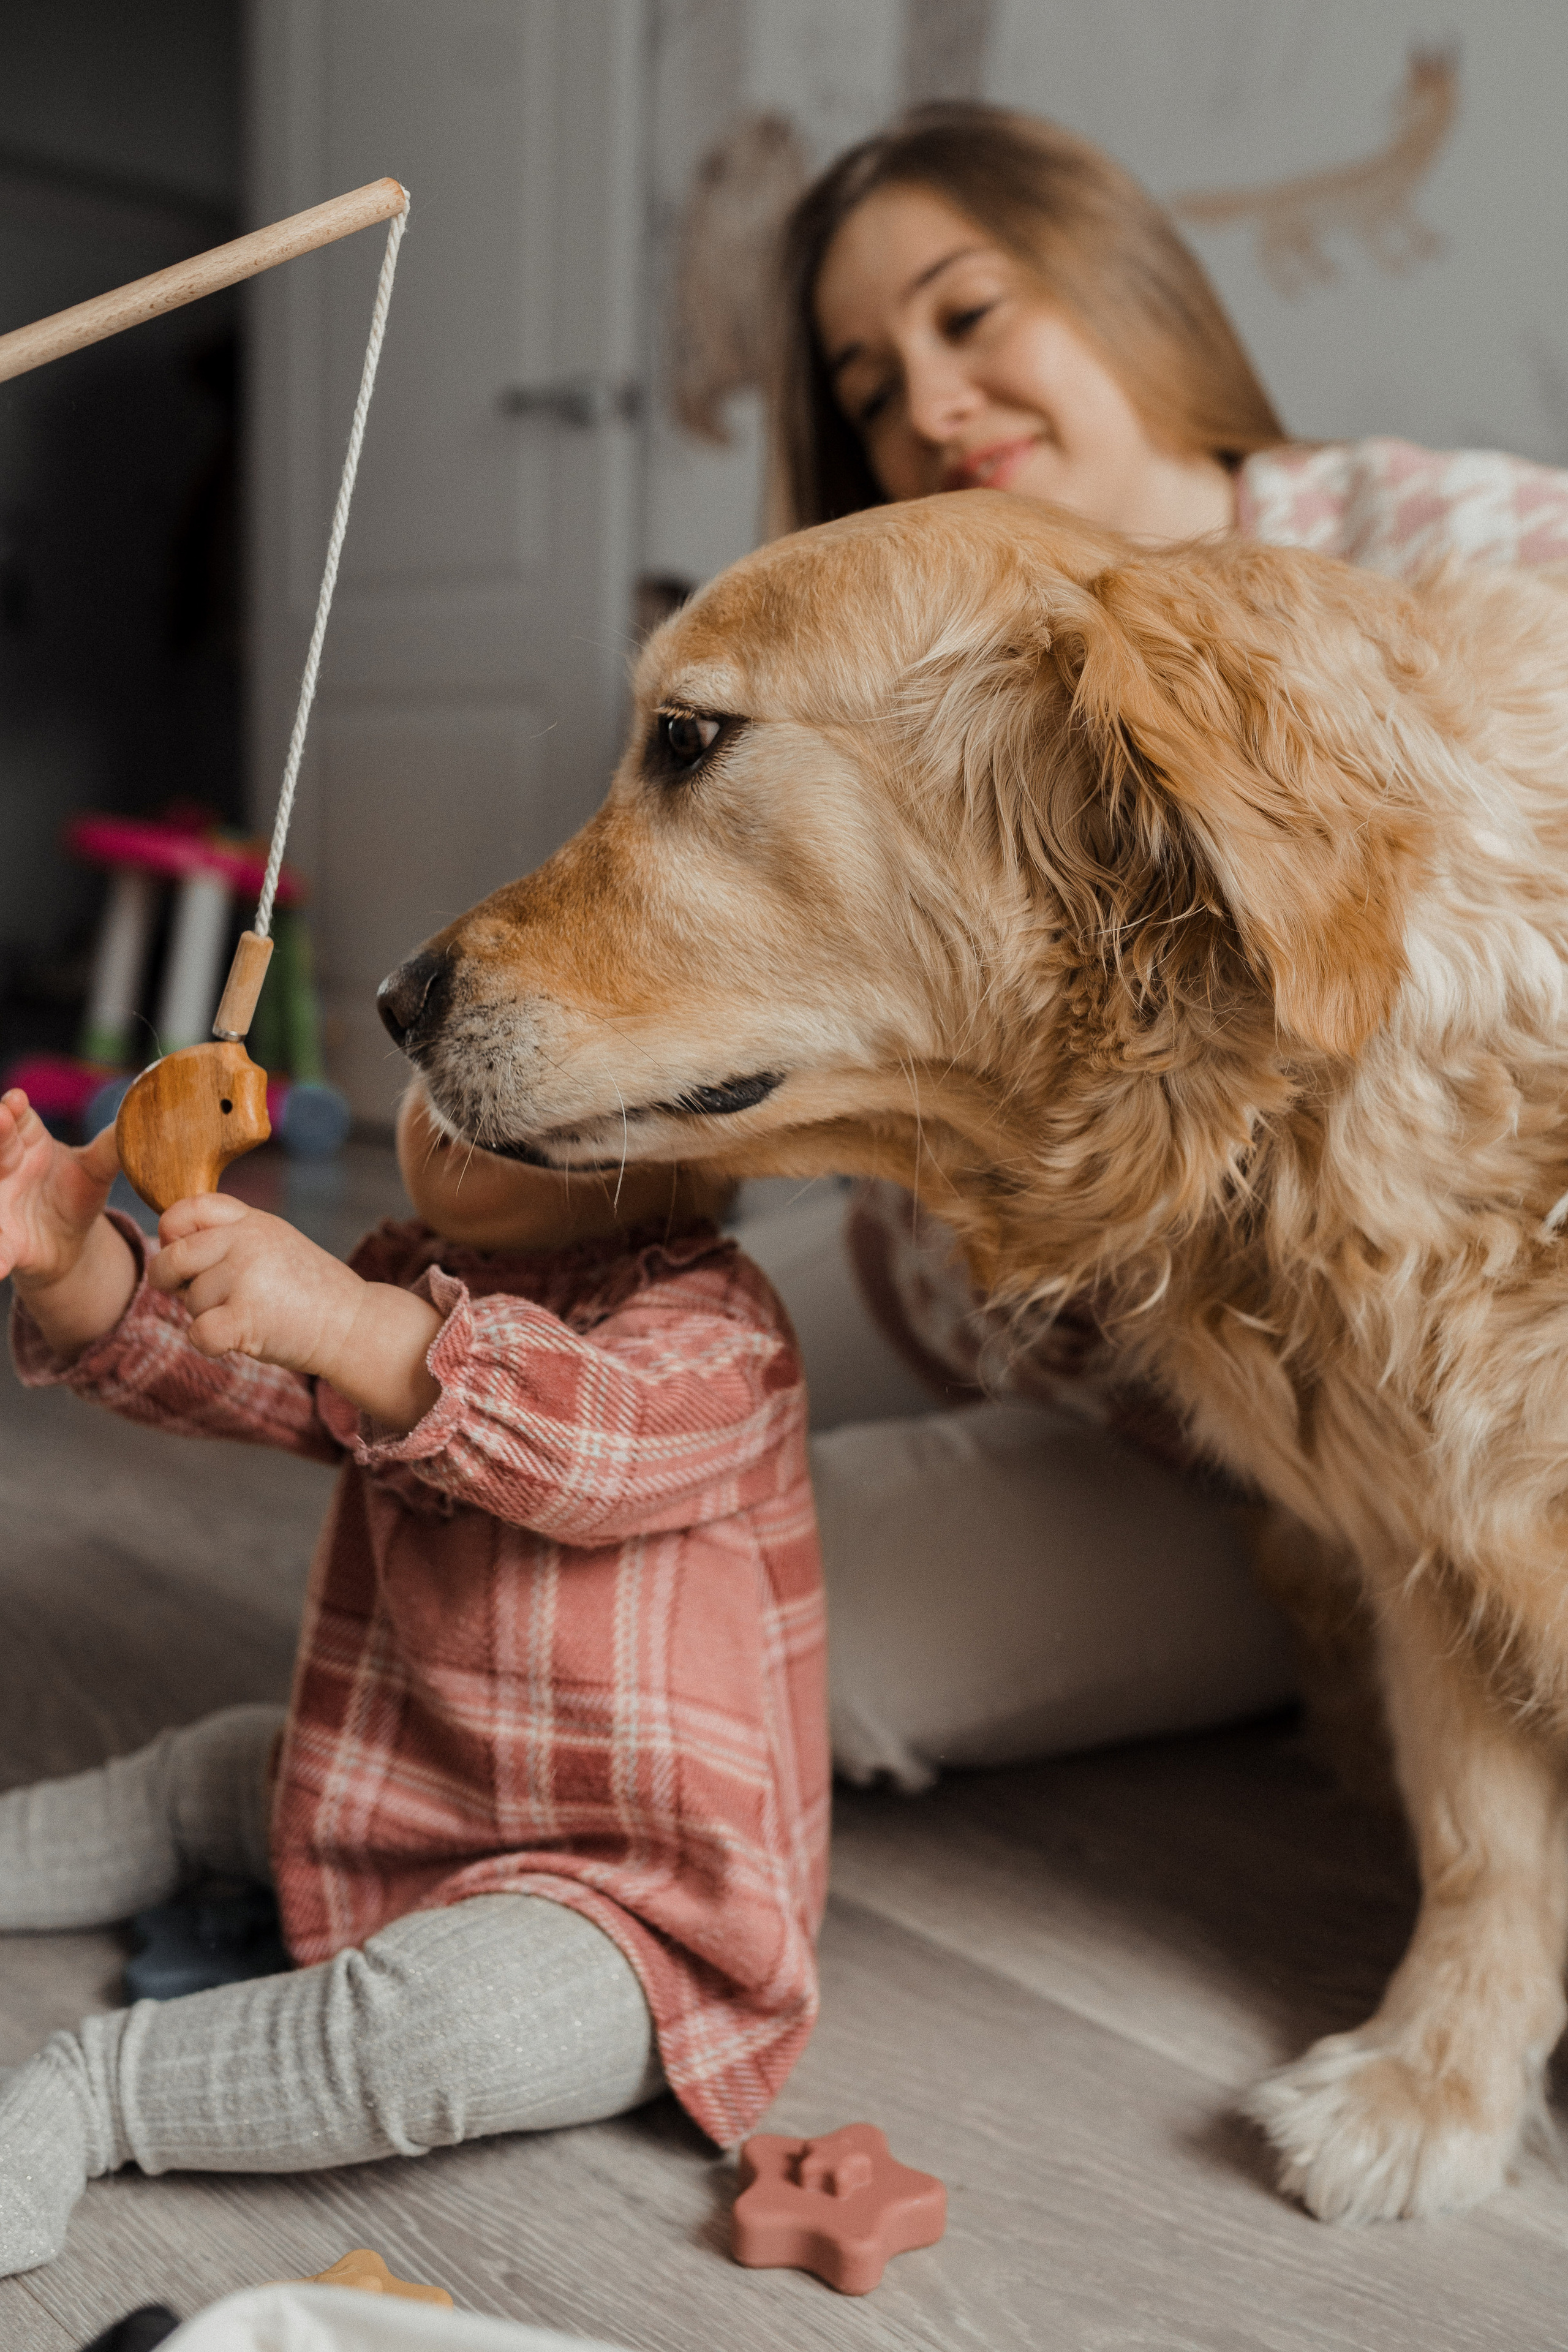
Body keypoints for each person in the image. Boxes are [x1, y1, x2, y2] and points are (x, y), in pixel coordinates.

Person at [736, 100, 1568, 1794]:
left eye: (970, 315)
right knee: (561, 1409)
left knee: (729, 1657)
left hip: (1280, 1468)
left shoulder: (1464, 554)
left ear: (1121, 286)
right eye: (871, 390)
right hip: (943, 1289)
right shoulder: (899, 682)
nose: (932, 406)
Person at [0, 1080, 826, 2277]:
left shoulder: (725, 1330)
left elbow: (591, 1450)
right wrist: (71, 1265)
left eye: (512, 1069)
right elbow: (222, 1368)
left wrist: (346, 1324)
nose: (447, 1092)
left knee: (443, 2038)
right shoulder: (410, 1270)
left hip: (636, 1903)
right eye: (433, 1067)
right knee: (215, 1772)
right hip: (408, 1782)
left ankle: (89, 2096)